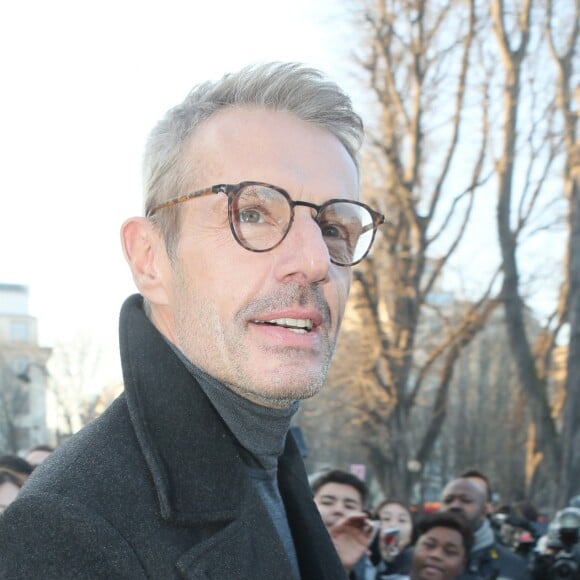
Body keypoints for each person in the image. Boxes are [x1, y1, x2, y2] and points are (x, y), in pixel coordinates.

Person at [0, 62, 384, 579]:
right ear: (150, 259)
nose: (316, 260)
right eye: (252, 212)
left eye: (335, 226)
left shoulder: (274, 465)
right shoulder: (69, 531)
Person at [440, 478, 530, 579]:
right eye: (448, 500)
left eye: (465, 500)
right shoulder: (424, 558)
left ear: (483, 510)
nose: (455, 505)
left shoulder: (513, 567)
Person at [311, 469, 378, 579]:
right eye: (327, 502)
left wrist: (344, 568)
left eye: (349, 506)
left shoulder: (366, 566)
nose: (338, 510)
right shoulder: (288, 549)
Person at [374, 499, 414, 577]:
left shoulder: (419, 568)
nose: (393, 525)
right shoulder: (361, 564)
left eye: (402, 520)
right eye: (386, 518)